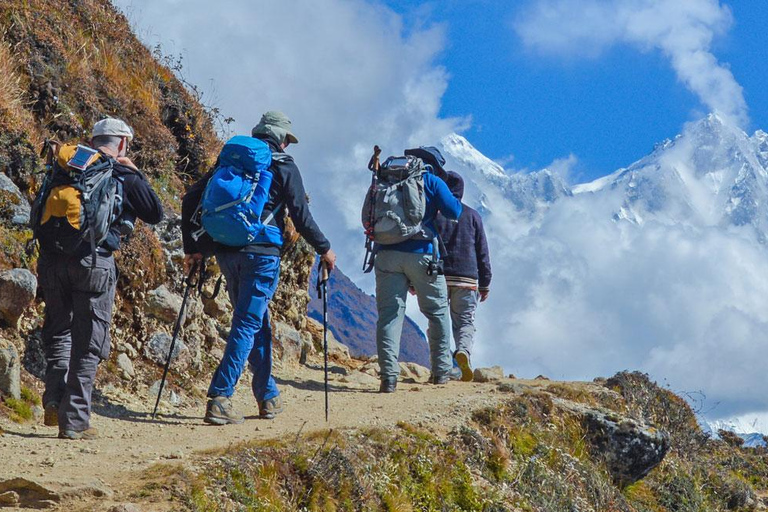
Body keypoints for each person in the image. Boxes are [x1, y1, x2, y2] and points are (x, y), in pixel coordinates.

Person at [182, 110, 336, 425]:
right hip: (262, 253)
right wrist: (325, 249)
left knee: (257, 322)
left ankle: (267, 396)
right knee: (248, 323)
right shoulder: (284, 166)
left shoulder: (230, 161)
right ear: (281, 139)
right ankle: (220, 396)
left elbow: (189, 200)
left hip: (226, 251)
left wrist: (193, 250)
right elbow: (301, 216)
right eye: (287, 140)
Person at [39, 118, 163, 439]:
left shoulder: (67, 166)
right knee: (88, 342)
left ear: (93, 141)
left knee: (59, 332)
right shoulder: (120, 171)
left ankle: (54, 398)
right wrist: (134, 172)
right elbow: (155, 213)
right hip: (94, 263)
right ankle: (75, 421)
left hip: (51, 261)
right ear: (122, 143)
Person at [373, 148, 461, 393]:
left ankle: (388, 377)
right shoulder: (430, 180)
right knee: (437, 311)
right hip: (422, 254)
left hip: (386, 253)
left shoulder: (386, 178)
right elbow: (454, 211)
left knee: (390, 315)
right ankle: (441, 371)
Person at [434, 171, 492, 382]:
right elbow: (482, 252)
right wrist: (485, 283)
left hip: (438, 276)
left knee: (438, 320)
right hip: (467, 278)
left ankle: (441, 366)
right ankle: (463, 352)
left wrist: (415, 280)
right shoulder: (473, 216)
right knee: (465, 322)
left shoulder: (433, 215)